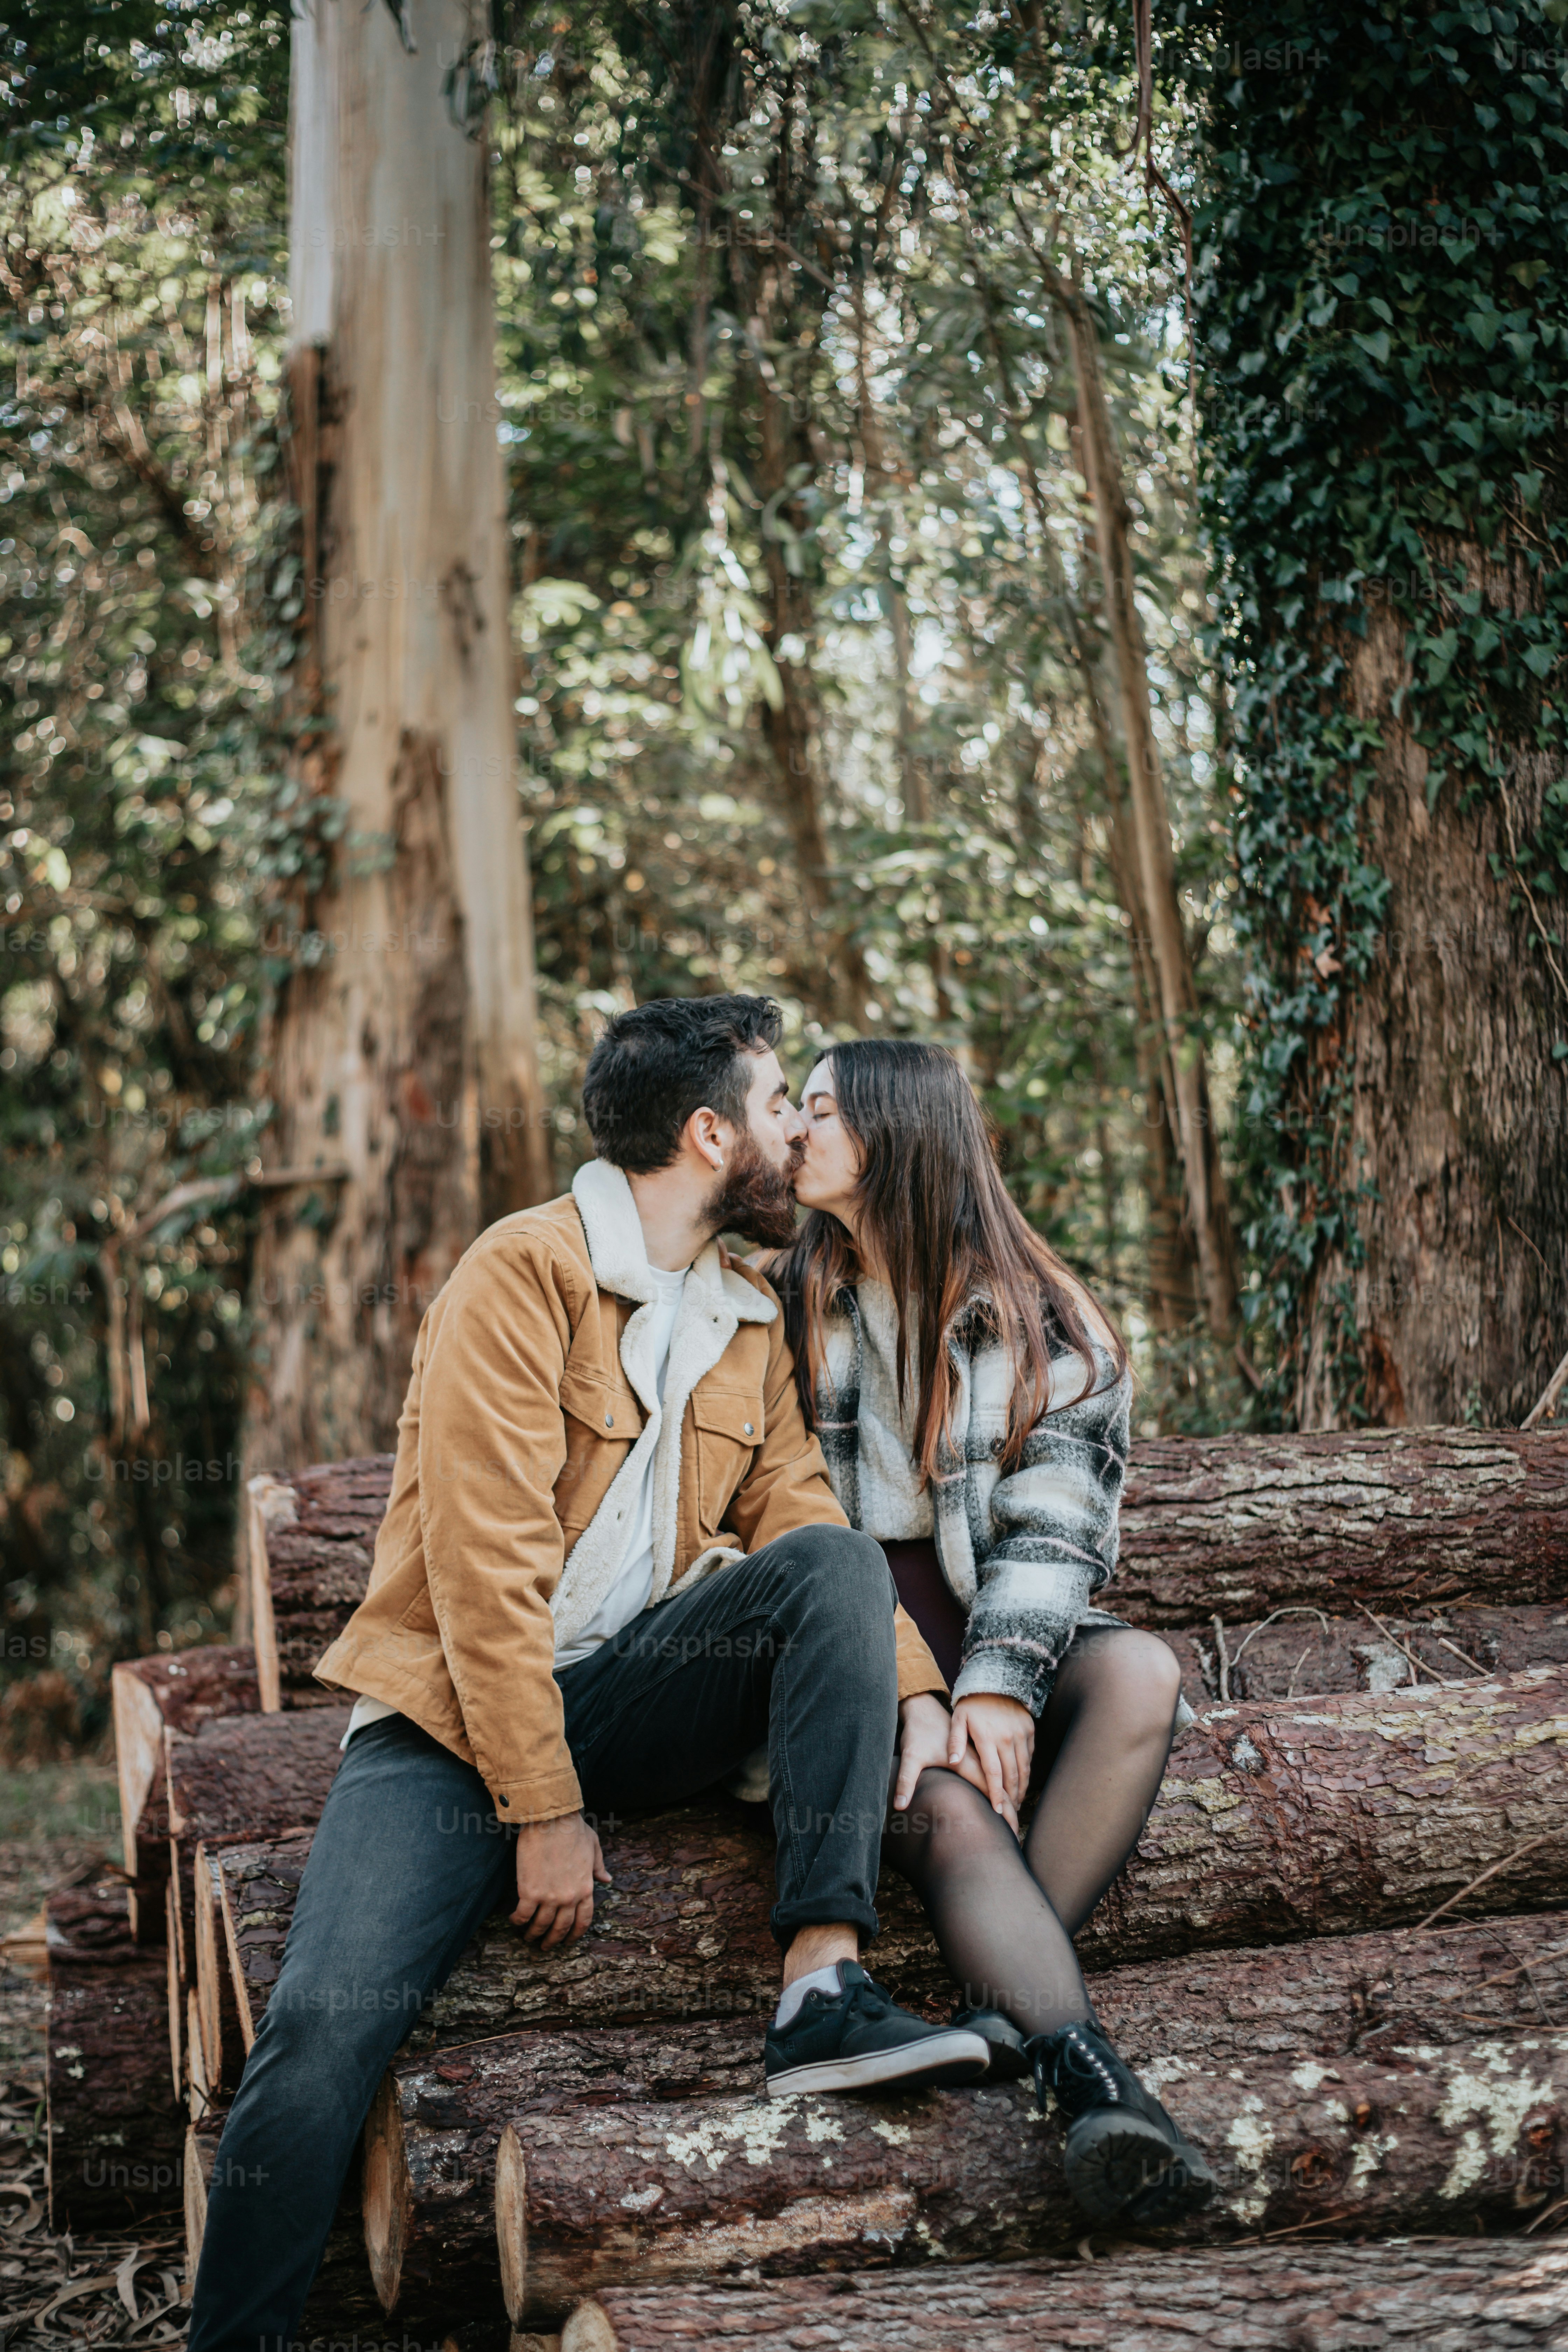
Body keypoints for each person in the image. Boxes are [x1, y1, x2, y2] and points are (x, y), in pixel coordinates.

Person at [187, 996, 989, 2352]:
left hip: (629, 1685)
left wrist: (917, 1686)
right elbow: (482, 1570)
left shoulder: (745, 1314)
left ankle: (820, 1983)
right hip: (448, 1727)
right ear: (706, 1131)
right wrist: (541, 1807)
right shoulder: (521, 1274)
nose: (796, 1127)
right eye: (778, 1098)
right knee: (325, 2025)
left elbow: (802, 1517)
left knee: (837, 1571)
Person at [769, 1036, 1216, 2228]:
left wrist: (1003, 1683)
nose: (793, 1131)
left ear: (896, 1132)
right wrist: (919, 1683)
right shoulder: (779, 1303)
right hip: (842, 1660)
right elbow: (773, 1524)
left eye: (818, 1110)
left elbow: (1058, 1531)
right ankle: (1090, 2084)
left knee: (1139, 1672)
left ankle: (1004, 2010)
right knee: (953, 1800)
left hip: (984, 1624)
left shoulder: (1046, 1319)